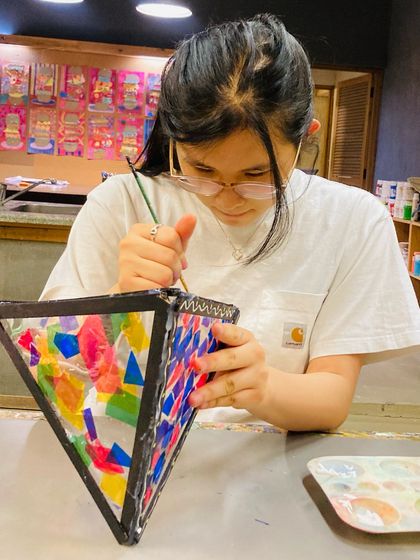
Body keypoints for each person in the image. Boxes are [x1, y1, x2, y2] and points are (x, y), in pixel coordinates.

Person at [41, 14, 420, 431]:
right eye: (201, 169)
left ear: (305, 138)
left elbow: (331, 399)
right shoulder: (122, 204)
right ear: (173, 138)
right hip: (118, 461)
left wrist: (263, 387)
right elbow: (56, 372)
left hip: (265, 466)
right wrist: (117, 302)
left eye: (256, 176)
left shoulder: (353, 221)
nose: (225, 197)